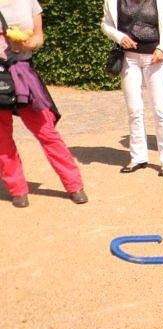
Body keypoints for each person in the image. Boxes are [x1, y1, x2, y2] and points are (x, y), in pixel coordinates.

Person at [0, 1, 88, 208]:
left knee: (46, 130)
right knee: (2, 137)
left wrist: (28, 44)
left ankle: (74, 184)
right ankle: (17, 189)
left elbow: (39, 37)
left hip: (22, 72)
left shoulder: (29, 1)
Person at [101, 0, 163, 176]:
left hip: (155, 57)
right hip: (129, 58)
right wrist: (119, 37)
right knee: (134, 109)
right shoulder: (113, 1)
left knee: (160, 109)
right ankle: (138, 157)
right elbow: (105, 24)